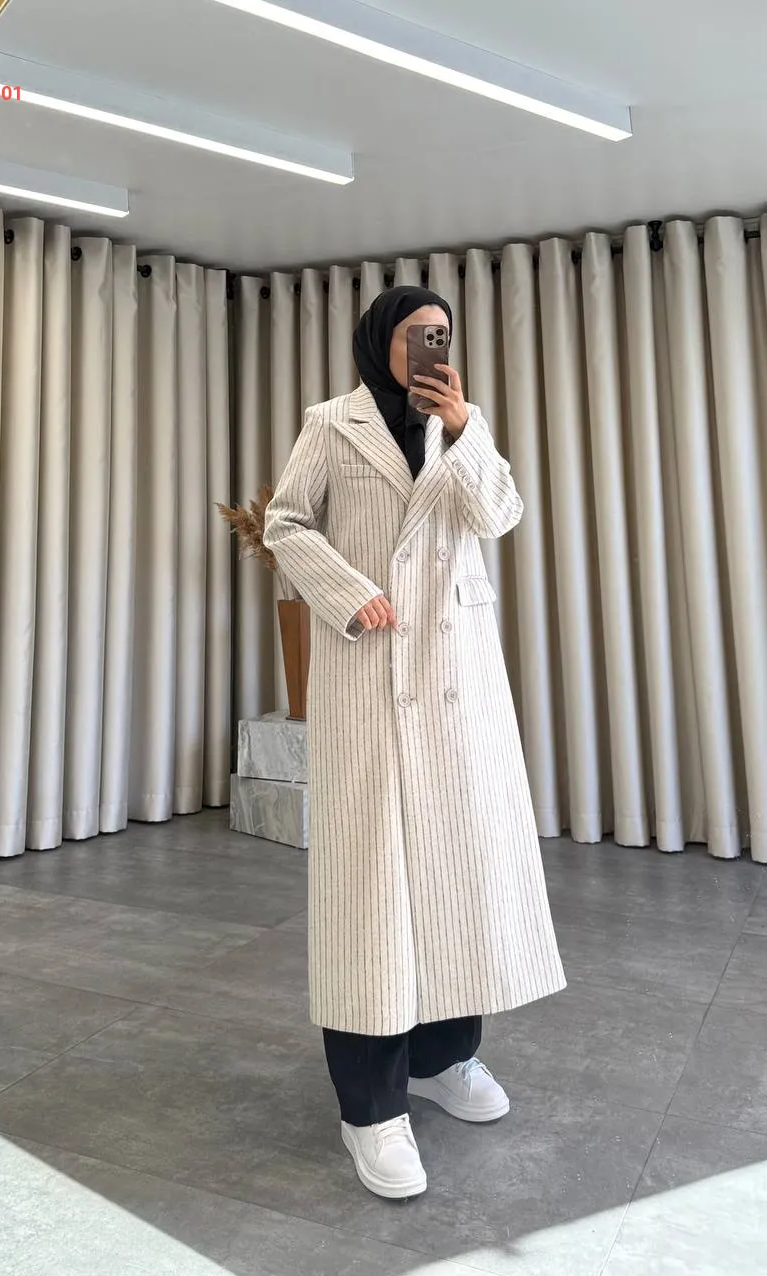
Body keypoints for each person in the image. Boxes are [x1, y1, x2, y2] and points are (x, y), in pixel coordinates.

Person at [264, 285, 565, 1200]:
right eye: (415, 334)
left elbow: (500, 516)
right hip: (371, 665)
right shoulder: (332, 424)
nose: (430, 346)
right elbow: (285, 522)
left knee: (457, 875)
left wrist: (465, 428)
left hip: (457, 676)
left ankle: (443, 1058)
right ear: (378, 341)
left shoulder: (460, 424)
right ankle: (370, 1107)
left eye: (441, 333)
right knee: (370, 894)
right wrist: (347, 591)